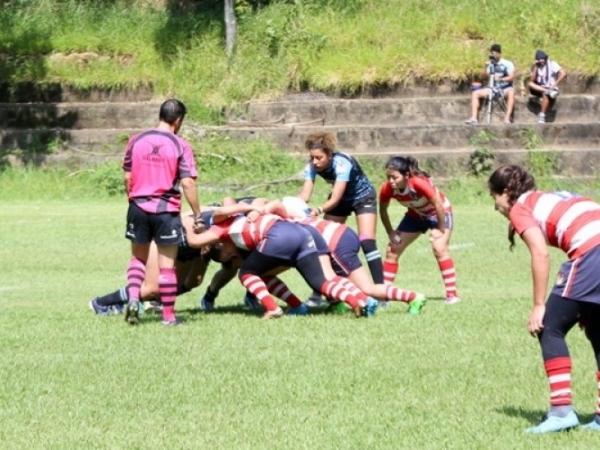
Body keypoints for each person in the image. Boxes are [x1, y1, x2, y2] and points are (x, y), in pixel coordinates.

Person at [488, 164, 600, 434]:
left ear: (505, 193)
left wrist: (539, 305)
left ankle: (561, 413)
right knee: (598, 331)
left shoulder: (520, 207)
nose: (496, 207)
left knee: (549, 326)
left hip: (593, 252)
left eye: (495, 199)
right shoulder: (552, 195)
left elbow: (540, 253)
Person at [186, 202, 379, 319]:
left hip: (280, 237)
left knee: (246, 273)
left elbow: (195, 241)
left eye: (226, 255)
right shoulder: (242, 220)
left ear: (219, 245)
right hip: (302, 232)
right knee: (319, 283)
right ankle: (355, 302)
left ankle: (273, 309)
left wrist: (181, 223)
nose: (231, 256)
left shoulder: (220, 228)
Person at [121, 98, 203, 326]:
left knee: (138, 258)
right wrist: (197, 215)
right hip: (165, 210)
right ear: (178, 121)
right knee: (167, 266)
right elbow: (188, 184)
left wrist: (133, 200)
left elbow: (128, 177)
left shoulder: (136, 140)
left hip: (137, 206)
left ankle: (134, 298)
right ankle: (168, 317)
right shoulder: (180, 145)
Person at [298, 132, 384, 304]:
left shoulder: (342, 163)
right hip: (341, 200)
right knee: (323, 243)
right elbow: (305, 195)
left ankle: (381, 293)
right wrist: (292, 206)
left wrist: (319, 209)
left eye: (319, 158)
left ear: (329, 155)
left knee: (367, 242)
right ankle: (320, 293)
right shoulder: (311, 166)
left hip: (363, 197)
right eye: (312, 158)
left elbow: (335, 197)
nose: (315, 162)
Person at [379, 156, 459, 304]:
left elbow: (439, 205)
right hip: (415, 215)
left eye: (395, 177)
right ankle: (384, 295)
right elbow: (383, 210)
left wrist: (440, 230)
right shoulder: (387, 188)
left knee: (439, 248)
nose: (391, 181)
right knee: (393, 249)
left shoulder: (418, 183)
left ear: (406, 176)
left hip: (439, 213)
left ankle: (452, 295)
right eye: (388, 177)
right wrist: (390, 232)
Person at [465, 43, 515, 124]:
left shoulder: (507, 63)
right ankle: (474, 118)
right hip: (492, 88)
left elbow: (511, 77)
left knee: (511, 92)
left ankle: (507, 118)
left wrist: (501, 79)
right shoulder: (490, 64)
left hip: (504, 88)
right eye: (492, 53)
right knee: (475, 93)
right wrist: (486, 67)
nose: (494, 55)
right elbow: (483, 77)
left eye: (496, 53)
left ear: (499, 53)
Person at [528, 49, 567, 123]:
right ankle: (546, 91)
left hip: (551, 87)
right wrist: (536, 66)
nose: (542, 61)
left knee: (545, 94)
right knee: (530, 84)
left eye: (543, 59)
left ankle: (542, 115)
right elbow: (532, 80)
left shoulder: (552, 64)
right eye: (540, 60)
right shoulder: (535, 66)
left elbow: (563, 73)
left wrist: (555, 84)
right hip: (540, 88)